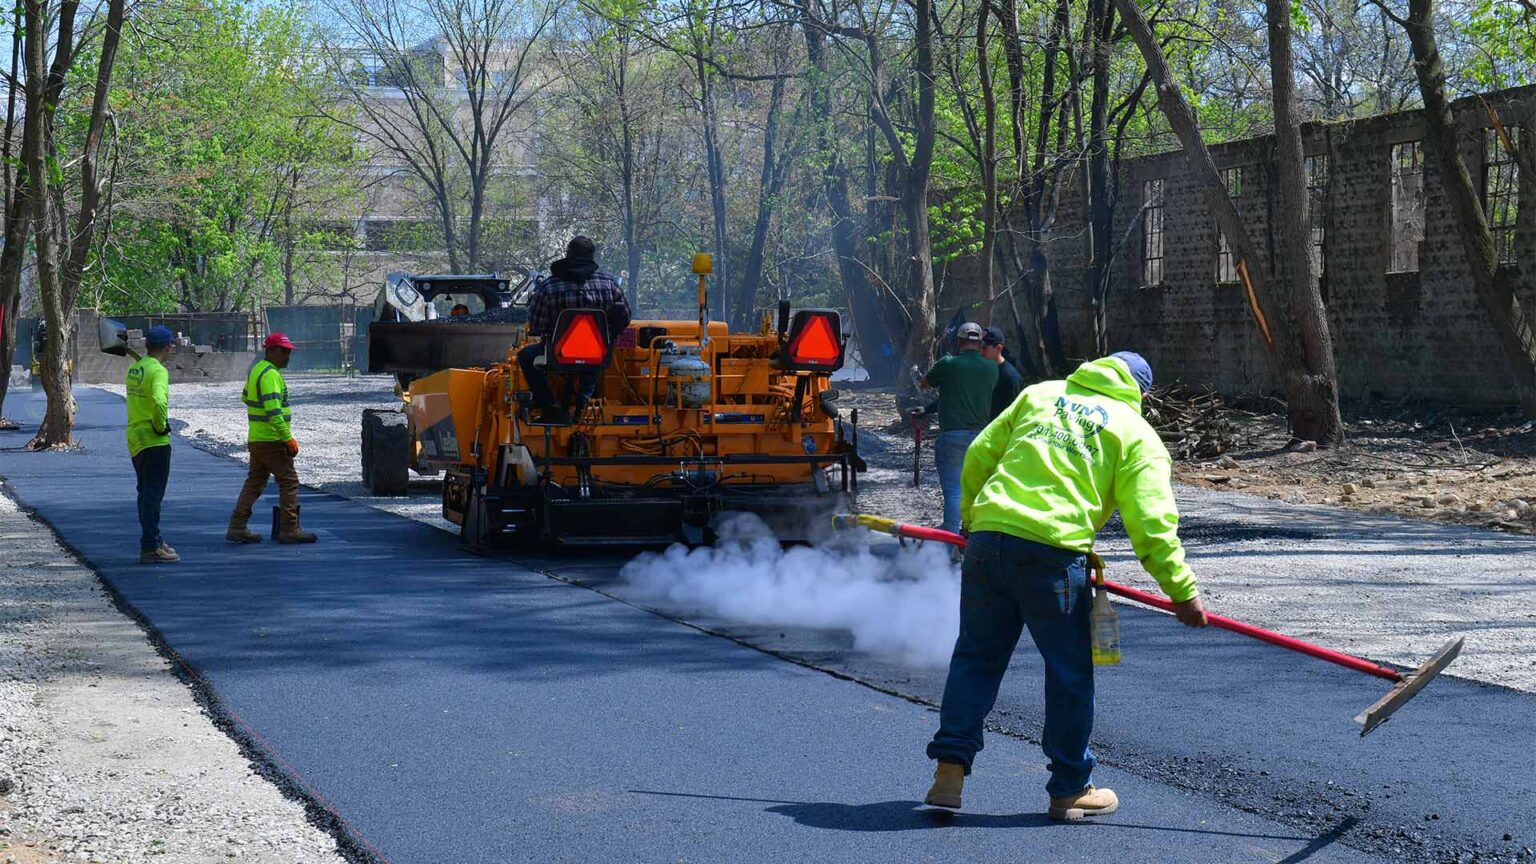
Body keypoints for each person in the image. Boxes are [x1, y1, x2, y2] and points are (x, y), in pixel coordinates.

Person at [923, 351, 1208, 820]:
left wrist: (971, 521)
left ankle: (949, 773)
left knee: (976, 657)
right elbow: (1152, 522)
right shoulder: (1136, 434)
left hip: (989, 542)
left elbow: (979, 454)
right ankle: (1070, 787)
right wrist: (1181, 590)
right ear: (1141, 393)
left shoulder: (1040, 395)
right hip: (1051, 556)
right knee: (1068, 673)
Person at [518, 236, 631, 424]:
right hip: (597, 355)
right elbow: (625, 317)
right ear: (592, 257)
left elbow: (537, 326)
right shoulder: (609, 285)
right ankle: (584, 402)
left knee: (526, 356)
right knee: (594, 361)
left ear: (568, 254)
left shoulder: (549, 286)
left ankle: (550, 406)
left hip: (559, 355)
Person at [225, 333, 316, 544]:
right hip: (272, 439)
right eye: (283, 351)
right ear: (270, 351)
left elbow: (245, 397)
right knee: (289, 481)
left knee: (255, 482)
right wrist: (287, 438)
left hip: (257, 437)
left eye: (289, 351)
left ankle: (237, 526)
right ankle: (289, 528)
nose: (287, 356)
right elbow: (274, 411)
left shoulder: (257, 370)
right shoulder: (271, 375)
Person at [921, 322, 997, 533]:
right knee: (977, 489)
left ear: (958, 341)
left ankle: (951, 539)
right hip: (983, 437)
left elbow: (925, 383)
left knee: (955, 490)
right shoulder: (991, 368)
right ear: (979, 342)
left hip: (953, 435)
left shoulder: (948, 363)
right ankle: (974, 533)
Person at [127, 326, 180, 564]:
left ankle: (155, 539)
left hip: (135, 438)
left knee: (144, 492)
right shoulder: (158, 371)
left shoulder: (135, 368)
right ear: (168, 346)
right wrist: (160, 426)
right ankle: (150, 545)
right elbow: (159, 402)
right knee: (153, 495)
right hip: (154, 439)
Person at [981, 326, 1024, 420]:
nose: (980, 351)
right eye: (978, 347)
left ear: (998, 348)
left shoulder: (1011, 378)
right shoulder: (983, 370)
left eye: (983, 347)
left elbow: (1014, 414)